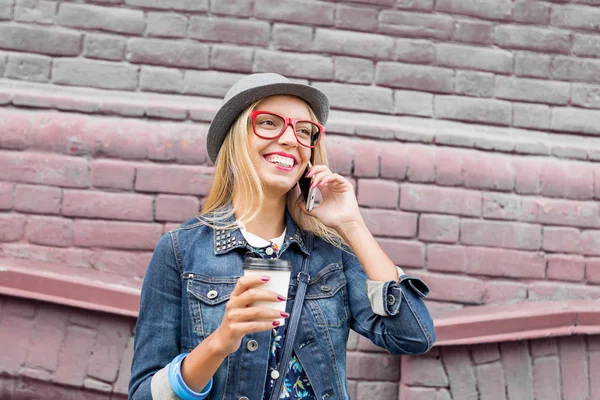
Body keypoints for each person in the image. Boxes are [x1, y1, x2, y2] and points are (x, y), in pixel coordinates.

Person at [128, 73, 435, 400]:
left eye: (304, 131)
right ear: (236, 139)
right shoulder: (180, 251)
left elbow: (414, 336)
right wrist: (219, 342)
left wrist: (351, 225)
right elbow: (145, 395)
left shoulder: (330, 255)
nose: (290, 139)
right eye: (270, 123)